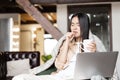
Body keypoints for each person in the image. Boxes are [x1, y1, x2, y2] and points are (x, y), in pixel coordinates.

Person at [12, 13, 118, 80]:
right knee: (19, 78)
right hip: (62, 76)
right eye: (72, 24)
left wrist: (94, 53)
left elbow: (102, 67)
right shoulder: (67, 42)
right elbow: (59, 66)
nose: (74, 28)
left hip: (80, 77)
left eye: (78, 24)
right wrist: (67, 42)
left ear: (85, 26)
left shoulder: (93, 42)